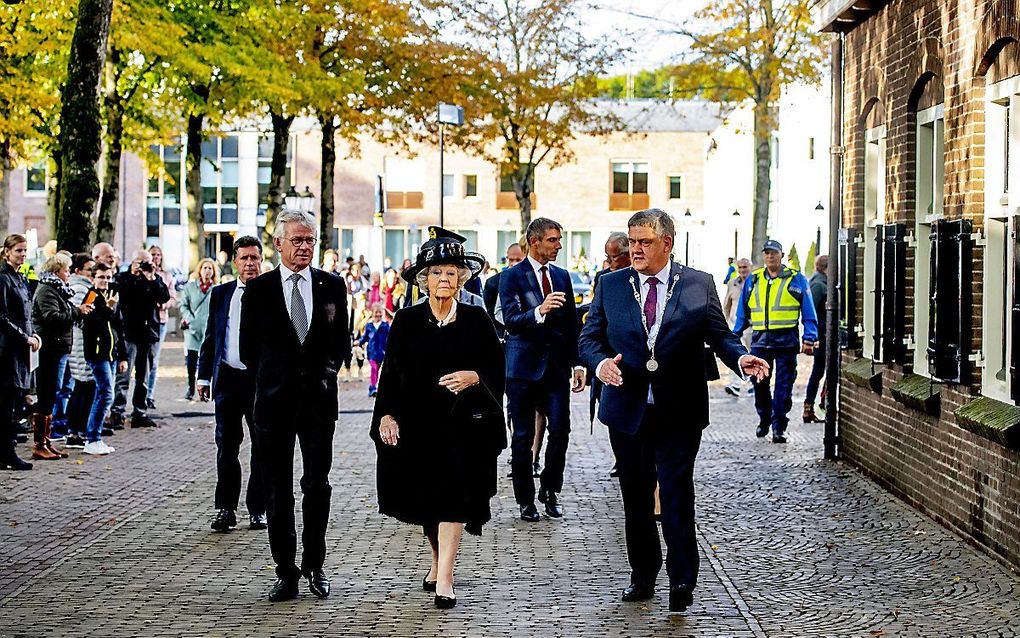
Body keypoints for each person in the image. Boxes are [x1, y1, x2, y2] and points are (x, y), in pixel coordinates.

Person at [578, 209, 769, 613]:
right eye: (632, 242)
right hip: (627, 408)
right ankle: (642, 575)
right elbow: (589, 337)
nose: (635, 250)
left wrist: (741, 359)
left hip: (679, 410)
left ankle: (682, 578)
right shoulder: (611, 284)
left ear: (667, 243)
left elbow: (719, 335)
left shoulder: (698, 284)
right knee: (635, 495)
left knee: (678, 493)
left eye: (644, 242)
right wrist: (600, 364)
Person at [371, 236, 505, 609]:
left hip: (464, 427)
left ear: (462, 278)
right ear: (423, 280)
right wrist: (386, 414)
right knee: (428, 501)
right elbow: (391, 374)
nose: (444, 279)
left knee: (454, 497)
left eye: (451, 272)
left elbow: (497, 368)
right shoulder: (407, 320)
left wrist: (475, 377)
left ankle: (445, 576)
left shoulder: (477, 319)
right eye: (436, 273)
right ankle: (435, 560)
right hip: (418, 425)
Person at [239, 210, 350, 602]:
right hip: (273, 406)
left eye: (310, 241)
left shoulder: (332, 285)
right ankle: (286, 571)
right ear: (279, 244)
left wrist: (322, 374)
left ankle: (315, 565)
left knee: (317, 486)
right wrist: (277, 381)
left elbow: (342, 344)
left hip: (319, 405)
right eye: (297, 240)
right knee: (277, 491)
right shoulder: (259, 289)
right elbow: (248, 352)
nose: (304, 247)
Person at [499, 217, 586, 522]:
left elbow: (572, 323)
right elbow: (510, 320)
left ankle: (550, 489)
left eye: (559, 240)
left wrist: (577, 363)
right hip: (522, 369)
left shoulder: (563, 276)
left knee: (561, 430)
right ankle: (525, 500)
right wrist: (539, 310)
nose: (558, 246)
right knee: (522, 436)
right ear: (534, 241)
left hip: (556, 368)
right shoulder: (511, 277)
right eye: (552, 240)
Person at [197, 236, 267, 533]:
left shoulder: (271, 292)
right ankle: (226, 508)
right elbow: (212, 335)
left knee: (262, 447)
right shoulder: (221, 294)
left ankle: (258, 509)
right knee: (227, 445)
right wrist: (203, 376)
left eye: (254, 258)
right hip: (227, 378)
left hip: (259, 382)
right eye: (244, 258)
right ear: (235, 262)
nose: (249, 263)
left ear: (261, 260)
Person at [733, 240, 819, 443]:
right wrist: (733, 335)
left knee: (783, 387)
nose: (770, 256)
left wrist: (809, 336)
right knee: (759, 383)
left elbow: (808, 310)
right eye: (767, 253)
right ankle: (764, 418)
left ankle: (779, 426)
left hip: (786, 341)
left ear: (781, 255)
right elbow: (742, 313)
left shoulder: (795, 279)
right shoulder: (754, 280)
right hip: (760, 341)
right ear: (763, 256)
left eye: (774, 253)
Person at [30, 253, 94, 460]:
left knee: (52, 391)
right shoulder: (47, 290)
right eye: (66, 270)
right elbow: (52, 317)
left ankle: (45, 441)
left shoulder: (57, 290)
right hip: (50, 348)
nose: (68, 274)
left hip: (58, 347)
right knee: (47, 392)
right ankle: (40, 443)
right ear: (57, 271)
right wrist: (77, 311)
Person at [110, 249, 170, 429]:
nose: (144, 266)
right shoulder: (123, 278)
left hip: (148, 333)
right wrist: (135, 275)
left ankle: (140, 412)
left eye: (147, 262)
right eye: (140, 262)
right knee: (124, 376)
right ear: (133, 261)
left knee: (144, 375)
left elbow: (164, 297)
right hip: (128, 333)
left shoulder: (154, 279)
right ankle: (117, 412)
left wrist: (150, 278)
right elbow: (124, 296)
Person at [1, 234, 41, 471]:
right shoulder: (3, 279)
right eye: (18, 251)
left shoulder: (19, 278)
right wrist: (23, 336)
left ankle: (6, 449)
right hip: (8, 349)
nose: (23, 255)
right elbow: (3, 316)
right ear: (7, 252)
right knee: (6, 402)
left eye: (25, 251)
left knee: (13, 400)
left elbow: (27, 314)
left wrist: (33, 334)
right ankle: (7, 452)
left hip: (21, 347)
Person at [80, 262, 126, 455]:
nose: (105, 281)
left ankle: (95, 436)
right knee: (105, 393)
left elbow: (118, 327)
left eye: (108, 277)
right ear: (93, 278)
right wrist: (107, 308)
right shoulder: (91, 297)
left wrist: (122, 355)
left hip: (111, 354)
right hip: (97, 354)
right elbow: (92, 323)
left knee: (106, 393)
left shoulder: (111, 295)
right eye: (101, 277)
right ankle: (92, 438)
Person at [55, 253, 95, 442]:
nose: (93, 273)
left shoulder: (84, 287)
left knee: (82, 386)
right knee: (83, 386)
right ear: (79, 271)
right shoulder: (80, 288)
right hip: (80, 344)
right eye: (90, 270)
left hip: (81, 342)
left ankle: (77, 428)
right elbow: (80, 316)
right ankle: (75, 429)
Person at [179, 258, 219, 400]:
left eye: (210, 268)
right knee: (191, 361)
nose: (207, 271)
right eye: (205, 268)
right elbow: (183, 305)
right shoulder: (190, 287)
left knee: (208, 360)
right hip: (192, 330)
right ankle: (190, 388)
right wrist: (190, 319)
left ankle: (207, 388)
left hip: (208, 330)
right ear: (199, 270)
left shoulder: (217, 289)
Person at [145, 245, 177, 409]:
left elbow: (172, 297)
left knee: (154, 359)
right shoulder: (142, 273)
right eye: (153, 254)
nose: (156, 257)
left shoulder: (167, 275)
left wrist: (164, 305)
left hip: (160, 320)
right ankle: (141, 393)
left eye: (158, 254)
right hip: (144, 321)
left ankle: (149, 394)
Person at [722, 258, 754, 397]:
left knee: (753, 354)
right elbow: (727, 305)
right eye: (740, 267)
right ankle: (735, 384)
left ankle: (753, 384)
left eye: (745, 267)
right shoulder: (732, 283)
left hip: (752, 326)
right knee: (735, 354)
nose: (742, 270)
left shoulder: (756, 282)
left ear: (750, 267)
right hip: (735, 326)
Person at [482, 241, 525, 340]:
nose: (514, 264)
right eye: (511, 260)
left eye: (518, 260)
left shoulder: (532, 280)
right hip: (501, 336)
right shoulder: (493, 282)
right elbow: (489, 314)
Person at [804, 255, 829, 423]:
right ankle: (814, 406)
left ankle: (814, 406)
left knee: (820, 371)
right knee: (819, 371)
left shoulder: (819, 282)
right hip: (822, 337)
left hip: (823, 336)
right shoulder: (819, 286)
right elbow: (811, 312)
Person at [358, 303, 389, 397]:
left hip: (382, 353)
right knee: (374, 369)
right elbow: (364, 338)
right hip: (371, 353)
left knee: (378, 371)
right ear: (372, 313)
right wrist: (358, 342)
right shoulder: (369, 326)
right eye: (376, 312)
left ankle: (376, 387)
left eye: (380, 312)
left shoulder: (385, 326)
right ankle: (372, 388)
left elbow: (391, 337)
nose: (378, 314)